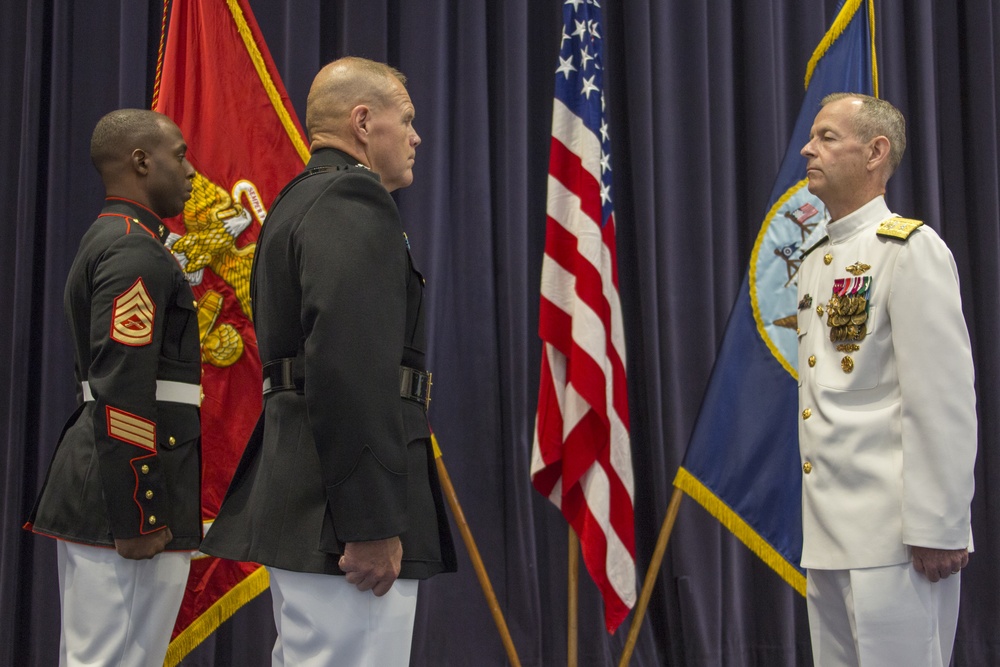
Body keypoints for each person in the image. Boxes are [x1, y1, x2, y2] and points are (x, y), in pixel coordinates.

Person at [201, 57, 456, 666]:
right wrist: (368, 521)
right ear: (363, 122)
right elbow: (348, 368)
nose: (418, 136)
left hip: (311, 498)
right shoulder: (351, 198)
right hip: (341, 516)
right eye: (408, 119)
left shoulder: (298, 200)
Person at [796, 93, 977, 666]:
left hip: (898, 541)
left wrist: (939, 525)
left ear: (875, 152)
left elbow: (942, 398)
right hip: (827, 534)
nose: (808, 148)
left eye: (827, 137)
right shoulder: (815, 258)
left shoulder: (910, 251)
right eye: (813, 136)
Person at [26, 109, 202, 665]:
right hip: (123, 493)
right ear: (141, 161)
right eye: (180, 154)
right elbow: (122, 386)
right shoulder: (133, 250)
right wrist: (140, 509)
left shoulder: (120, 238)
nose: (192, 170)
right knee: (113, 657)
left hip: (114, 483)